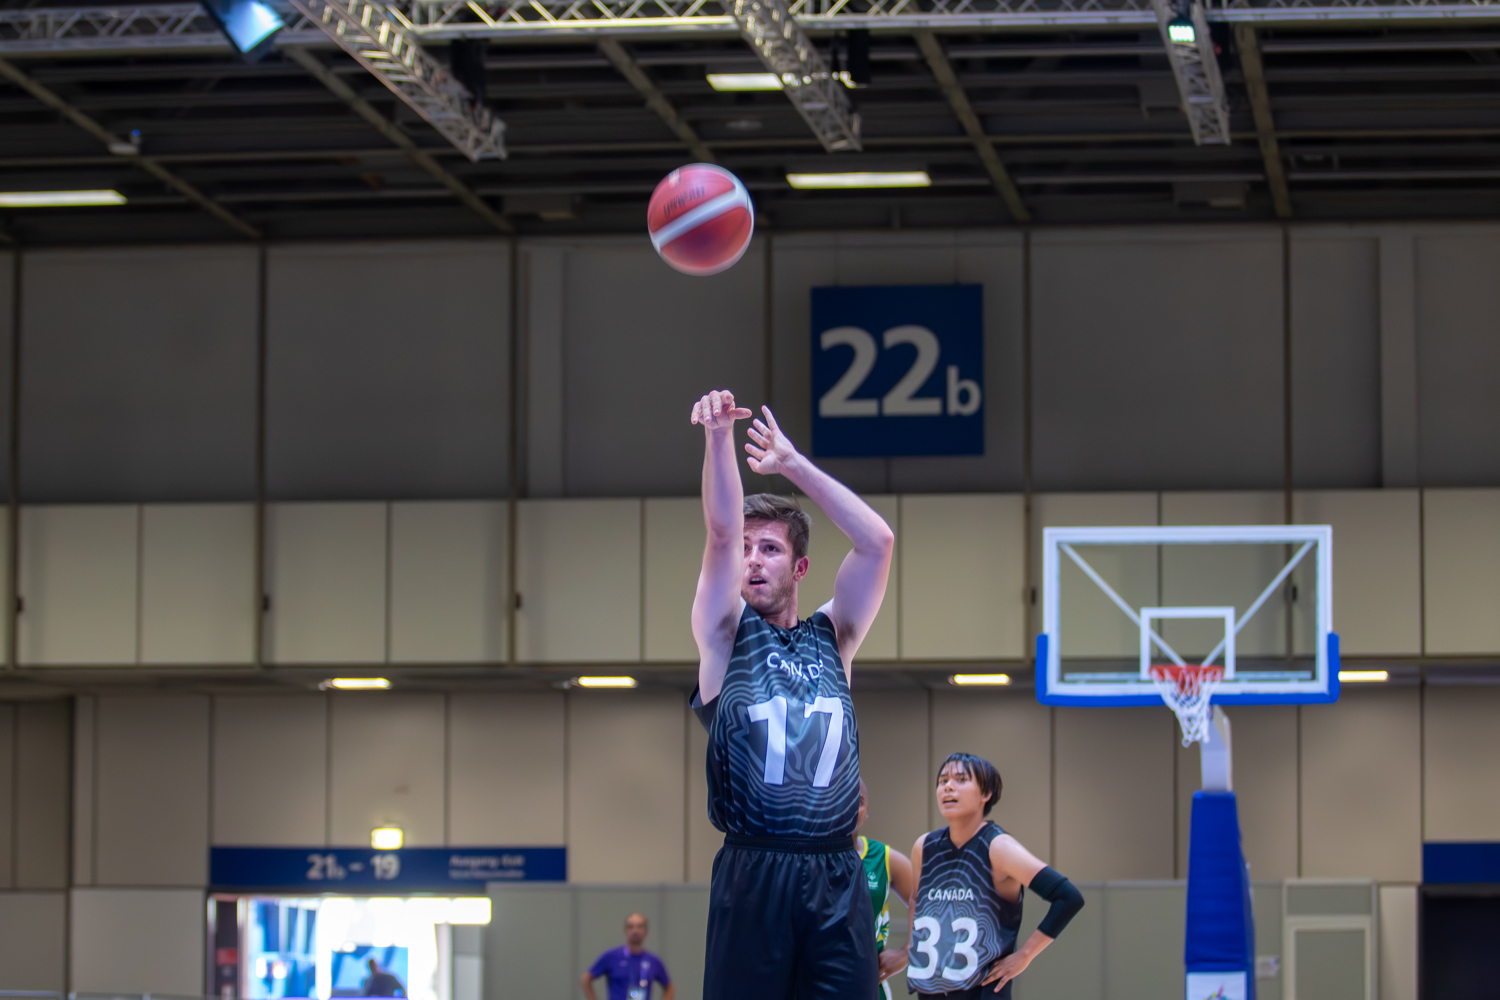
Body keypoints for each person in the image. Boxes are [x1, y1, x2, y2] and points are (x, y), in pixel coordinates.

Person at [688, 390, 895, 1000]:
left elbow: (878, 542)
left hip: (836, 872)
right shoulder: (724, 634)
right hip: (754, 871)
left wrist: (792, 464)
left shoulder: (836, 636)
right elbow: (721, 533)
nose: (751, 560)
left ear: (800, 569)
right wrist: (719, 438)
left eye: (770, 548)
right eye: (746, 550)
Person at [903, 753, 1084, 999]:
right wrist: (911, 949)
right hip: (931, 990)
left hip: (984, 991)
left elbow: (1068, 897)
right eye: (943, 780)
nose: (948, 786)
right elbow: (916, 900)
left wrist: (1025, 956)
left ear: (986, 793)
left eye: (960, 779)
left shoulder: (998, 847)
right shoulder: (923, 847)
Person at [856, 779, 915, 1000]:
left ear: (867, 811)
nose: (850, 807)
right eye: (842, 798)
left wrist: (907, 952)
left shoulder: (883, 857)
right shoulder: (807, 858)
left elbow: (933, 906)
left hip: (869, 985)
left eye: (858, 802)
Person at [580, 913, 674, 1000]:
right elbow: (586, 979)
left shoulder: (653, 961)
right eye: (631, 927)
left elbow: (669, 987)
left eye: (639, 926)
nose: (635, 931)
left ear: (646, 931)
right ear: (625, 931)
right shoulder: (612, 956)